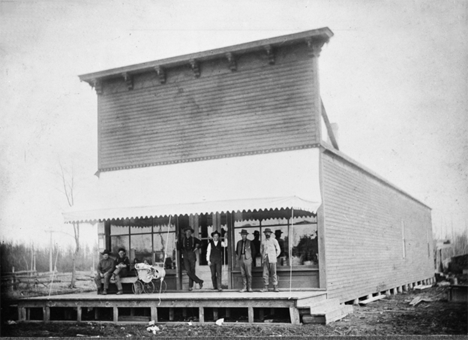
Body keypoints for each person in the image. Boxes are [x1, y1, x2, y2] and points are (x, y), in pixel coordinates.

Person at [178, 226, 204, 291]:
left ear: (191, 233)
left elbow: (201, 243)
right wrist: (176, 242)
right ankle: (199, 281)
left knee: (192, 271)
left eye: (189, 231)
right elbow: (178, 248)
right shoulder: (182, 240)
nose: (188, 233)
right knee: (188, 271)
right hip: (185, 256)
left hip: (192, 255)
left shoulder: (194, 239)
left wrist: (197, 248)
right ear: (185, 232)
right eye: (187, 231)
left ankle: (190, 286)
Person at [260, 228, 281, 292]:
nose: (267, 234)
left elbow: (278, 250)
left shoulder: (274, 240)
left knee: (273, 273)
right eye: (266, 233)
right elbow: (261, 250)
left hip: (272, 259)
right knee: (265, 273)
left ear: (270, 233)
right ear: (264, 234)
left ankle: (275, 287)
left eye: (268, 233)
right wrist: (263, 256)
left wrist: (275, 256)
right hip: (265, 259)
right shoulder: (263, 241)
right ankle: (266, 287)